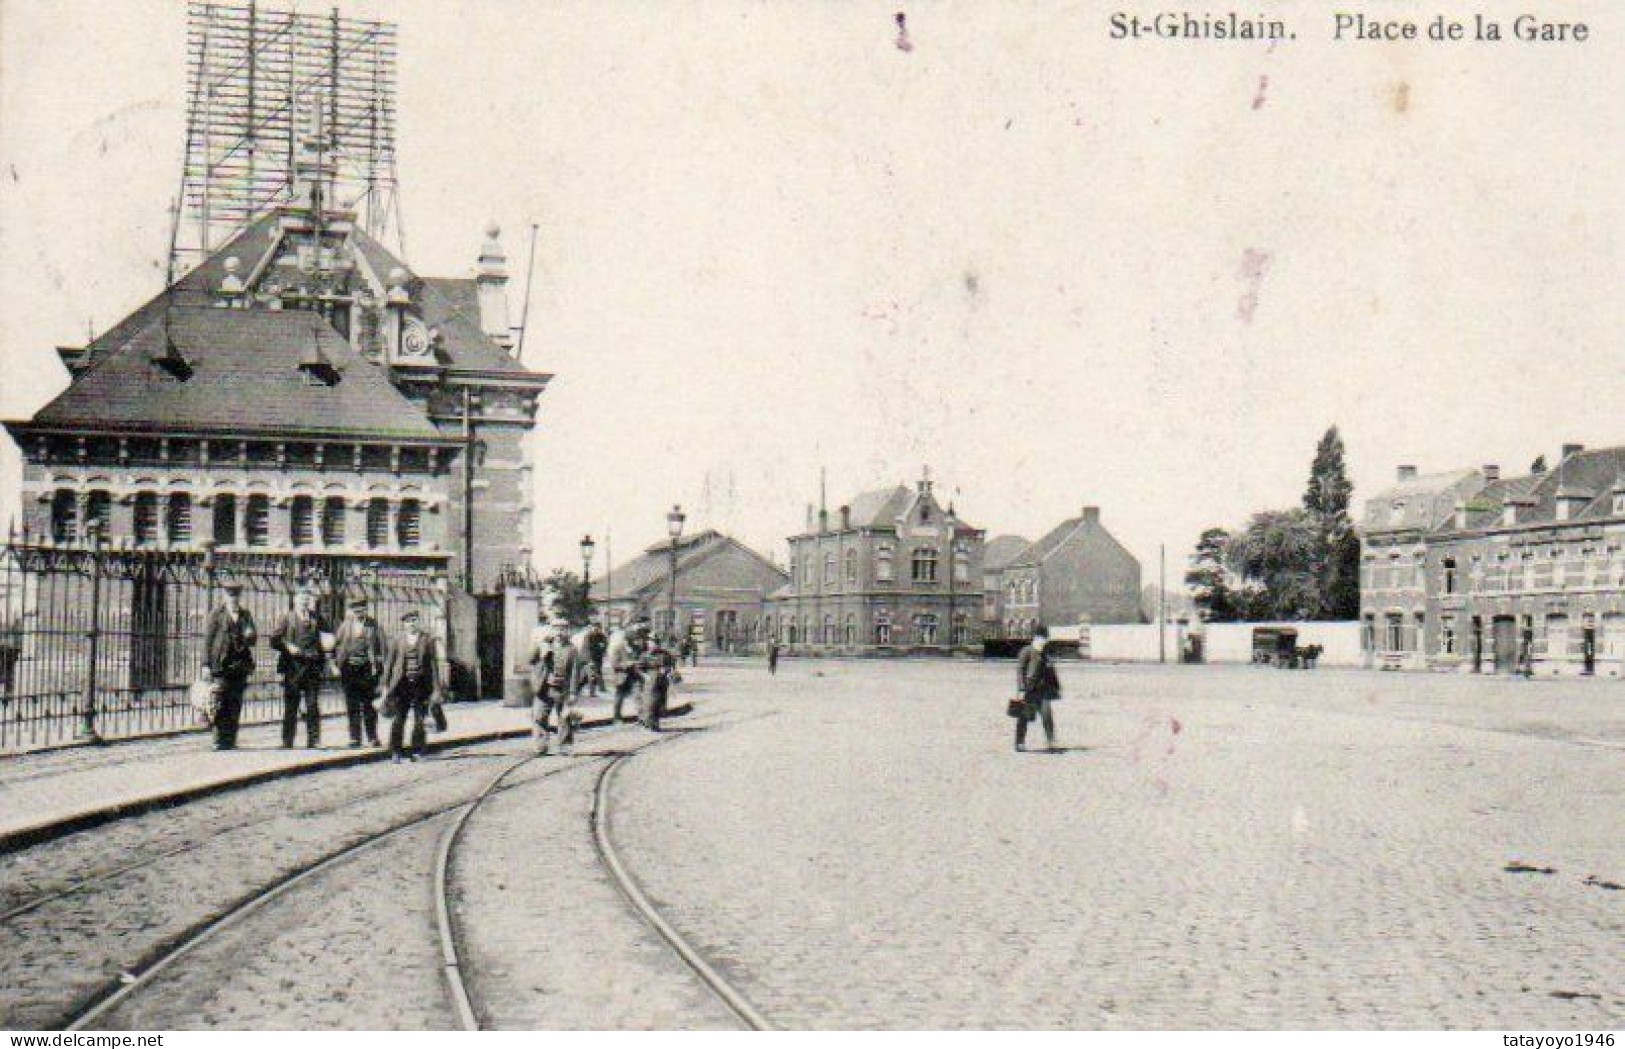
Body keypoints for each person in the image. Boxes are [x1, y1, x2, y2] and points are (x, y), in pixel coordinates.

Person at [270, 588, 330, 749]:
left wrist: (326, 648)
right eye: (301, 598)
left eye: (307, 598)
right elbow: (274, 640)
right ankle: (287, 741)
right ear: (295, 600)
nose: (304, 601)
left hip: (312, 667)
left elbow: (328, 636)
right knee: (291, 705)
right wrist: (287, 646)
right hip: (293, 668)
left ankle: (314, 740)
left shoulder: (317, 618)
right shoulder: (286, 618)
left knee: (312, 705)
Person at [202, 581, 256, 750]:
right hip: (221, 665)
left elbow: (253, 639)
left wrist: (250, 635)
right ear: (224, 596)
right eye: (230, 596)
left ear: (239, 597)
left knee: (235, 703)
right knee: (219, 702)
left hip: (239, 665)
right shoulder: (216, 614)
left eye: (236, 596)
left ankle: (231, 740)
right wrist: (205, 664)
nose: (233, 599)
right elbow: (208, 641)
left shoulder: (246, 615)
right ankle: (218, 740)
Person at [380, 610, 440, 762]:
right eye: (408, 621)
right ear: (404, 624)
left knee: (420, 718)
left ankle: (417, 752)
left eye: (414, 620)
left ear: (418, 621)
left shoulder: (426, 639)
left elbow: (433, 665)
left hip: (421, 683)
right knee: (399, 717)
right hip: (402, 684)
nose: (411, 624)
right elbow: (389, 663)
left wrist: (436, 688)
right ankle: (396, 752)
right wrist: (385, 684)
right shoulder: (397, 640)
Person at [333, 597, 385, 748]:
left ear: (366, 610)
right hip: (349, 669)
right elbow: (336, 645)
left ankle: (372, 737)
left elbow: (382, 646)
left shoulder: (373, 625)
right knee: (352, 704)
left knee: (369, 704)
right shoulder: (345, 626)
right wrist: (336, 664)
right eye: (355, 610)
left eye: (361, 610)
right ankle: (355, 737)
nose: (358, 613)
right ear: (351, 611)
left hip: (368, 668)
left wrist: (380, 666)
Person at [532, 624, 582, 755]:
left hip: (563, 689)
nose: (559, 632)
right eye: (556, 629)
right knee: (540, 716)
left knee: (565, 718)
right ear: (552, 631)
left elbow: (575, 672)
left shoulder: (572, 649)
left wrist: (573, 692)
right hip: (545, 688)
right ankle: (541, 747)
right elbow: (531, 660)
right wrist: (540, 649)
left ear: (567, 631)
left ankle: (565, 747)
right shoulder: (543, 645)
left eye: (562, 629)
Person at [1014, 624, 1061, 752]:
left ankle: (1051, 741)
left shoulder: (1045, 653)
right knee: (1025, 716)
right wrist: (1021, 685)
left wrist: (1056, 687)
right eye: (1042, 637)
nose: (1044, 640)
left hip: (1044, 689)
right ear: (1036, 637)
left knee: (1047, 715)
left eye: (1045, 637)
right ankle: (1019, 742)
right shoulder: (1026, 651)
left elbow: (1051, 671)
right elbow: (1020, 669)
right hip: (1030, 690)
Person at [606, 618, 649, 723]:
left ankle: (642, 717)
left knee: (638, 696)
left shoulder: (636, 648)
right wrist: (626, 665)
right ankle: (617, 717)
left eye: (634, 641)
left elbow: (641, 660)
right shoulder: (618, 648)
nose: (633, 643)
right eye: (631, 641)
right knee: (619, 698)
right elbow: (614, 664)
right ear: (626, 640)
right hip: (622, 677)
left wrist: (639, 664)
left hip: (634, 676)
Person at [642, 635, 678, 731]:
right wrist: (645, 676)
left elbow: (671, 666)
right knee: (651, 703)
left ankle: (654, 722)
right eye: (651, 642)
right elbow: (640, 669)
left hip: (662, 681)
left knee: (660, 703)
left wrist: (667, 671)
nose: (653, 644)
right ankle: (649, 722)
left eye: (655, 642)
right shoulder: (645, 655)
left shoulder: (665, 654)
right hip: (650, 682)